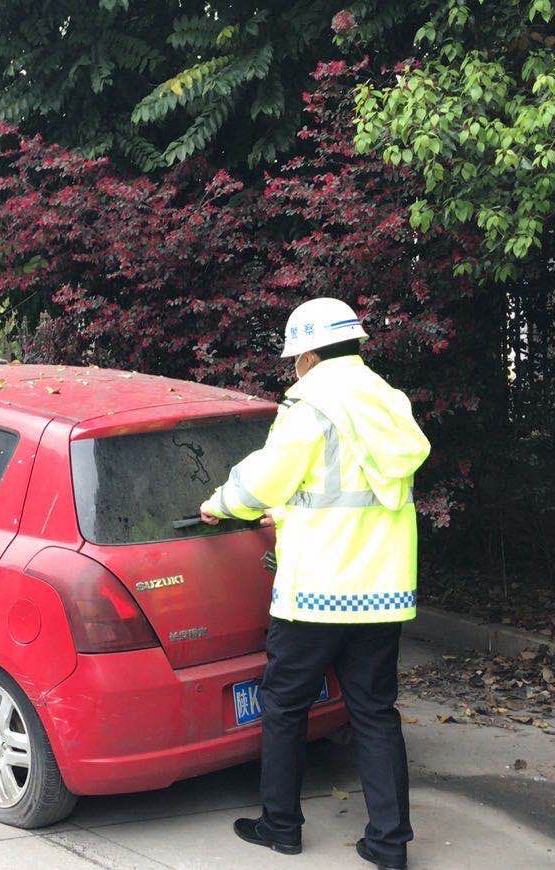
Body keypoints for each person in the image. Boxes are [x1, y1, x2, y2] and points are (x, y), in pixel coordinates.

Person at [198, 297, 430, 870]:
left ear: (307, 353)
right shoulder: (389, 403)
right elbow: (349, 491)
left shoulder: (310, 406)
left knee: (284, 707)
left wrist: (220, 503)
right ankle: (389, 845)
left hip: (317, 592)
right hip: (381, 592)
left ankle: (281, 826)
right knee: (375, 713)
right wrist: (293, 511)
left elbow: (266, 479)